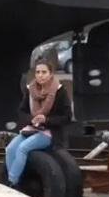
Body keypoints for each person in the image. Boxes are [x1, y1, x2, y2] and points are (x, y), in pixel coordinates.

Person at [4, 58, 72, 186]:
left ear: (51, 74)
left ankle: (11, 182)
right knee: (10, 148)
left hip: (50, 132)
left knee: (23, 148)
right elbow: (21, 112)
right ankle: (15, 179)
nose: (40, 75)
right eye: (38, 72)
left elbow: (67, 117)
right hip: (31, 129)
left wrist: (46, 120)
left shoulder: (59, 91)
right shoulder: (30, 89)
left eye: (44, 72)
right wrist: (31, 119)